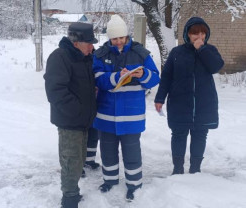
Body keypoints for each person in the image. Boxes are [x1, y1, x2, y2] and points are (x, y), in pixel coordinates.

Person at [93, 15, 160, 201]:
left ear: (127, 35)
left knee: (132, 153)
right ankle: (110, 181)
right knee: (107, 152)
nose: (119, 41)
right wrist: (115, 78)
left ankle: (134, 184)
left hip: (132, 115)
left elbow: (155, 77)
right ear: (109, 38)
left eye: (121, 37)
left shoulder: (141, 53)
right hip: (106, 115)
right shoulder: (101, 54)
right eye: (114, 38)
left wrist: (143, 73)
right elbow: (96, 77)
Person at [154, 17, 224, 175]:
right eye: (195, 33)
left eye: (202, 33)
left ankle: (195, 169)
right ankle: (177, 169)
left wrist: (202, 49)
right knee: (178, 135)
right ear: (187, 34)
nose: (199, 36)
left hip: (203, 103)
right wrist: (159, 98)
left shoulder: (210, 50)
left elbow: (216, 67)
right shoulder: (177, 52)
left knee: (200, 135)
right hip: (180, 103)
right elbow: (166, 77)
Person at [43, 22, 98, 208]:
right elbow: (55, 90)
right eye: (89, 43)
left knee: (79, 159)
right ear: (76, 42)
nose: (92, 47)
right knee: (70, 160)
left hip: (83, 120)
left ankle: (73, 192)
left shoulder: (85, 57)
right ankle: (69, 198)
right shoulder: (60, 57)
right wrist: (77, 110)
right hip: (70, 120)